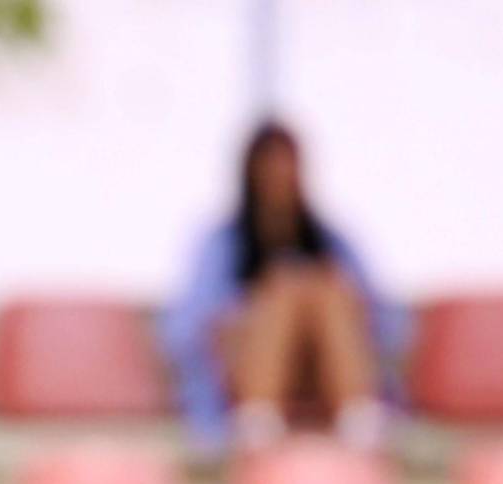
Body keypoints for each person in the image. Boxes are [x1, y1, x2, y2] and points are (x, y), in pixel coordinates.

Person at [162, 120, 406, 452]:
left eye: (287, 164)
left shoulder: (331, 241)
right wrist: (255, 308)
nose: (279, 176)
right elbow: (185, 330)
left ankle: (357, 417)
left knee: (323, 290)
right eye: (270, 165)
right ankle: (257, 418)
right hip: (247, 370)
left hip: (320, 372)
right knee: (286, 288)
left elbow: (388, 325)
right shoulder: (222, 244)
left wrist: (321, 297)